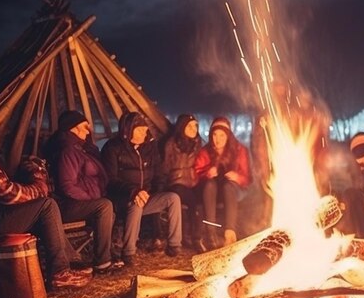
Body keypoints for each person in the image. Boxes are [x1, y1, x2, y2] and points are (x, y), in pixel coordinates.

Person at [0, 101, 91, 288]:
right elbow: (6, 193)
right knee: (46, 206)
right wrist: (38, 187)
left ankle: (70, 262)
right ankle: (60, 272)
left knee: (40, 208)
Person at [44, 110, 122, 274]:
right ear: (73, 128)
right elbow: (67, 186)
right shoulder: (68, 151)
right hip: (68, 205)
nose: (88, 131)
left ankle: (104, 254)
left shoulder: (82, 149)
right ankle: (102, 263)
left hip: (83, 202)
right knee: (104, 206)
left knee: (109, 209)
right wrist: (90, 200)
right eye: (85, 127)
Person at [101, 111, 183, 265]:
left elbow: (158, 173)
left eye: (145, 130)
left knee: (173, 198)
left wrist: (155, 191)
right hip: (121, 199)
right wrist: (133, 192)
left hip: (146, 196)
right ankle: (129, 252)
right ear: (127, 130)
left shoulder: (150, 148)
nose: (144, 134)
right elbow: (110, 180)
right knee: (136, 203)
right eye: (139, 130)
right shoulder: (113, 148)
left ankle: (174, 245)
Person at [194, 116, 252, 248]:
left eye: (222, 135)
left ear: (228, 136)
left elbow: (248, 178)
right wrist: (207, 173)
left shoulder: (239, 150)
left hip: (233, 190)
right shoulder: (205, 151)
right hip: (212, 192)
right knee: (209, 185)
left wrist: (238, 177)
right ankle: (211, 234)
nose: (217, 139)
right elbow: (196, 173)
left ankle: (230, 232)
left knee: (228, 186)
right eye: (214, 135)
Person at [160, 113, 206, 253]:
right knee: (191, 201)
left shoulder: (198, 144)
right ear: (182, 127)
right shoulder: (171, 144)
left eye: (195, 126)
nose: (194, 129)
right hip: (177, 182)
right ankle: (188, 238)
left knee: (200, 200)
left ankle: (197, 238)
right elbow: (165, 168)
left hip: (194, 181)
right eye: (190, 126)